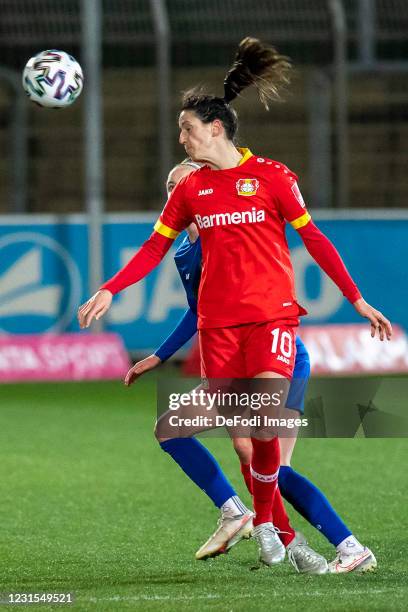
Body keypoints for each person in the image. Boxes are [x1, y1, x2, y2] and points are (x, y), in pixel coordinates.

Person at [78, 37, 392, 568]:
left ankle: (277, 527)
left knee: (263, 427)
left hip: (272, 320)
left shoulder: (272, 177)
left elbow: (315, 239)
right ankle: (279, 532)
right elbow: (154, 247)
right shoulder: (190, 196)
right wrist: (111, 287)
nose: (180, 140)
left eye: (187, 129)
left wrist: (357, 300)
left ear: (216, 128)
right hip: (220, 331)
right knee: (239, 445)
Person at [125, 160, 378, 574]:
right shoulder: (187, 249)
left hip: (277, 355)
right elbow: (199, 311)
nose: (176, 191)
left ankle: (341, 546)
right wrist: (160, 355)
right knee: (174, 428)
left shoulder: (224, 234)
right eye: (170, 185)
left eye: (184, 181)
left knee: (269, 463)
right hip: (233, 359)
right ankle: (242, 515)